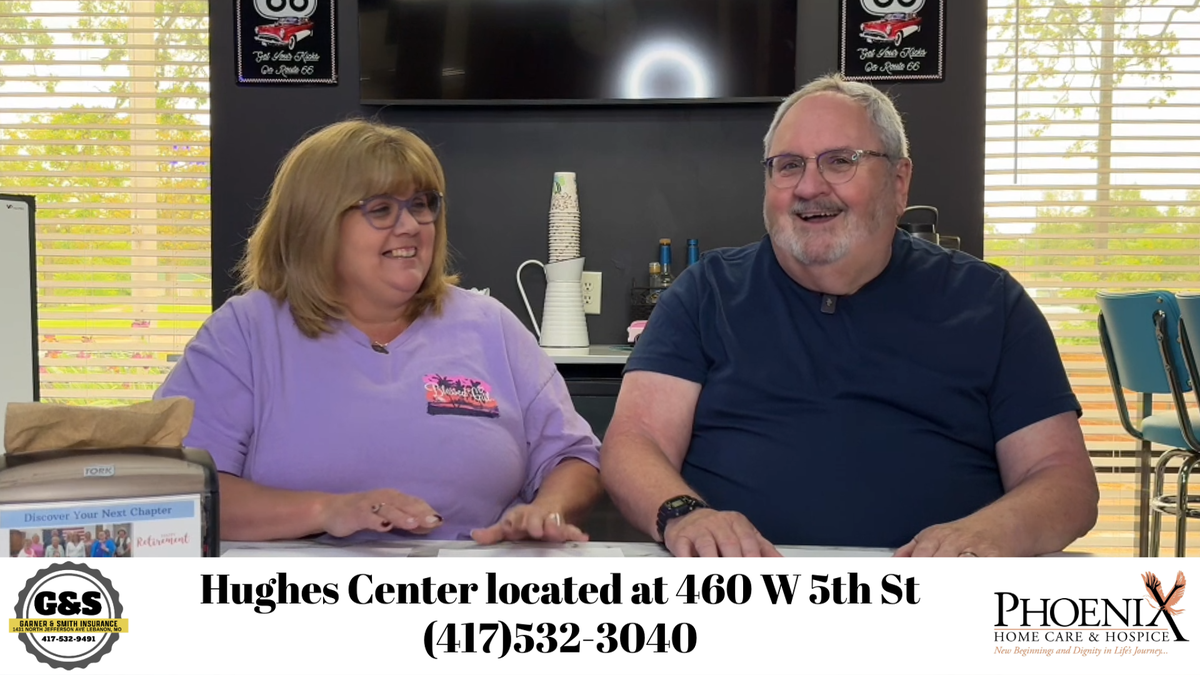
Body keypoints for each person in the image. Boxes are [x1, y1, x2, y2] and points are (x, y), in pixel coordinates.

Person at [601, 74, 1099, 558]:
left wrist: (992, 533)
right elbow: (634, 443)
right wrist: (685, 515)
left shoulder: (991, 303)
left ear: (899, 182)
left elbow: (1062, 479)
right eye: (788, 165)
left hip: (934, 591)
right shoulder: (704, 293)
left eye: (840, 161)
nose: (808, 186)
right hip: (739, 587)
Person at [155, 119, 601, 545]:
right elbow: (175, 488)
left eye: (421, 205)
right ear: (315, 223)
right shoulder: (244, 332)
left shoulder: (491, 326)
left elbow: (573, 457)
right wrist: (325, 512)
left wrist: (548, 512)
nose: (411, 226)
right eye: (381, 209)